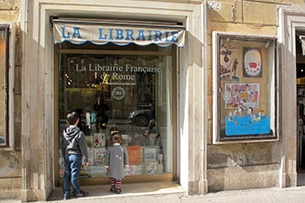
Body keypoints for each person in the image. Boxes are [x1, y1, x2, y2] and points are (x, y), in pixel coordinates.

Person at [61, 111, 89, 200]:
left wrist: (64, 154)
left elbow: (62, 145)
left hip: (67, 154)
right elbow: (83, 148)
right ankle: (77, 191)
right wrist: (86, 159)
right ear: (77, 121)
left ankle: (66, 193)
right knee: (74, 175)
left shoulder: (64, 132)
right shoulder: (79, 133)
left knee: (66, 174)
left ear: (67, 121)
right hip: (76, 155)